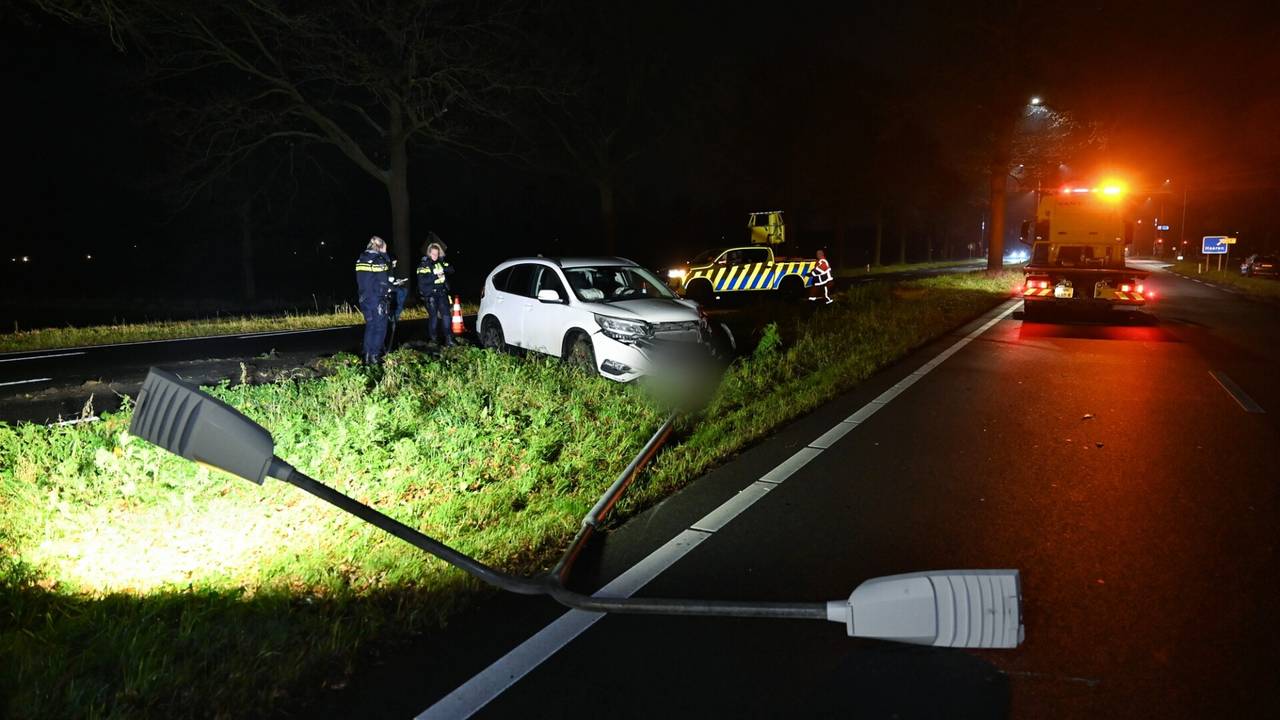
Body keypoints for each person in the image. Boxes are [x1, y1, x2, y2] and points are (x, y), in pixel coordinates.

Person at [355, 235, 393, 363]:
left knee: (370, 325)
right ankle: (375, 355)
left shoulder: (361, 259)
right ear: (380, 247)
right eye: (384, 248)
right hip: (377, 298)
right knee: (380, 327)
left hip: (364, 297)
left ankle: (367, 355)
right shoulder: (379, 259)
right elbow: (383, 281)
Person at [416, 234, 455, 346]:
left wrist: (444, 269)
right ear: (429, 253)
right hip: (431, 295)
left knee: (446, 315)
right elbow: (422, 281)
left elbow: (452, 269)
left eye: (437, 254)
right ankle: (433, 339)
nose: (435, 256)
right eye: (433, 254)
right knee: (433, 317)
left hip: (442, 293)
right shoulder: (423, 265)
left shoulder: (441, 262)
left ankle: (449, 339)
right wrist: (434, 275)